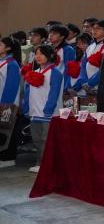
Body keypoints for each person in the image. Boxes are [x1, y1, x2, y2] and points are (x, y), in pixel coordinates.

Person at [21, 44, 65, 173]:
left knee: (47, 139)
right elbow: (28, 92)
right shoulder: (34, 72)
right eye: (36, 54)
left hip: (48, 113)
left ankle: (47, 164)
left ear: (50, 56)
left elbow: (54, 92)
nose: (38, 56)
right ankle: (40, 162)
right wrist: (26, 107)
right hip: (35, 111)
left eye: (41, 54)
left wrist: (49, 108)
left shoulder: (55, 73)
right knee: (37, 139)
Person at [0, 36, 20, 106]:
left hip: (4, 102)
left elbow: (11, 87)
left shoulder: (12, 64)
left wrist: (4, 103)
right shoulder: (1, 61)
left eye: (0, 45)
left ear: (8, 48)